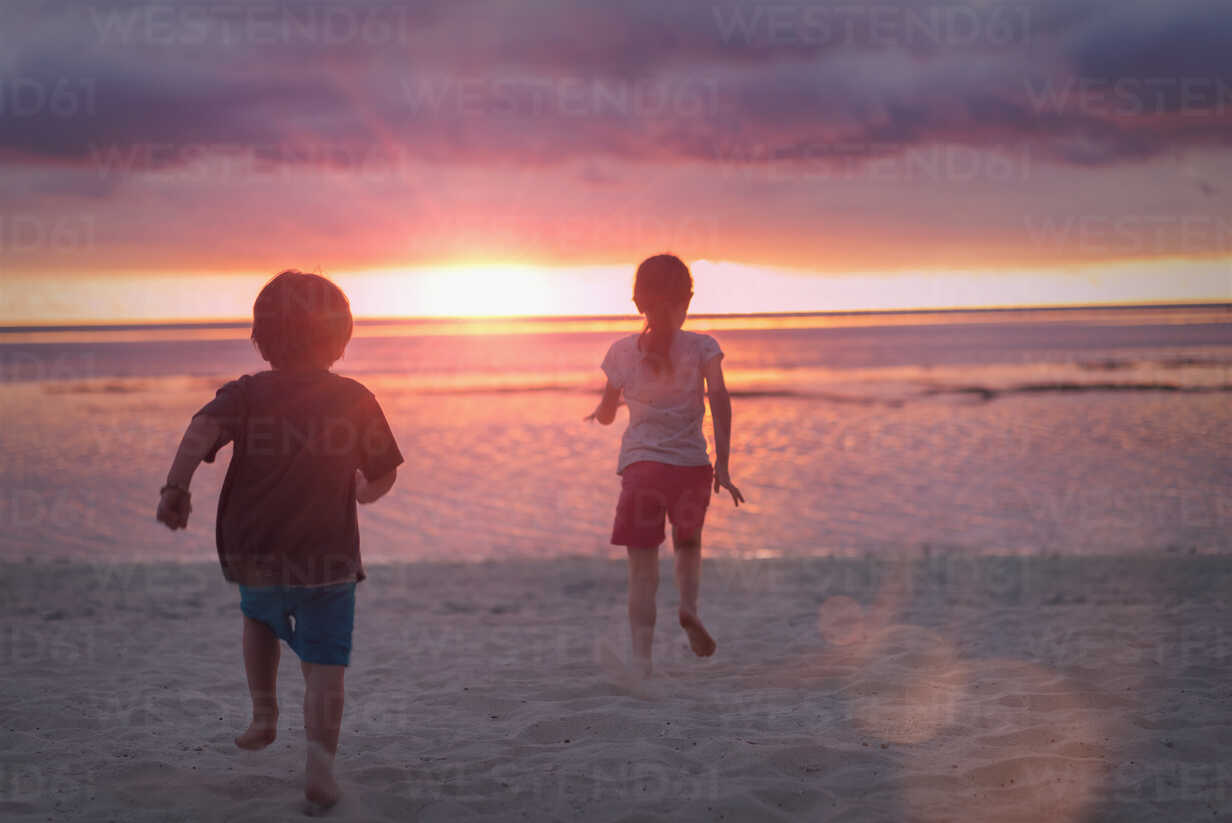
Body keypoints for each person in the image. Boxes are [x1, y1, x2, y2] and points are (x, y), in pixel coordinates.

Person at [156, 270, 402, 809]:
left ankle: (264, 711)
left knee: (260, 621)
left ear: (261, 337)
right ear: (341, 339)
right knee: (326, 663)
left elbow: (199, 431)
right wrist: (364, 490)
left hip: (256, 550)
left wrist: (176, 486)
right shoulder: (355, 398)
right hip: (330, 556)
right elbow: (384, 469)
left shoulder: (245, 393)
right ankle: (319, 764)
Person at [585, 254, 744, 677]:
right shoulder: (704, 346)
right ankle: (688, 609)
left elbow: (606, 411)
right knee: (688, 547)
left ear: (638, 302)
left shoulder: (621, 352)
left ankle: (641, 662)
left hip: (642, 471)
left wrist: (600, 415)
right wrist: (723, 465)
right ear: (687, 300)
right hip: (691, 469)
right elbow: (721, 401)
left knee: (642, 568)